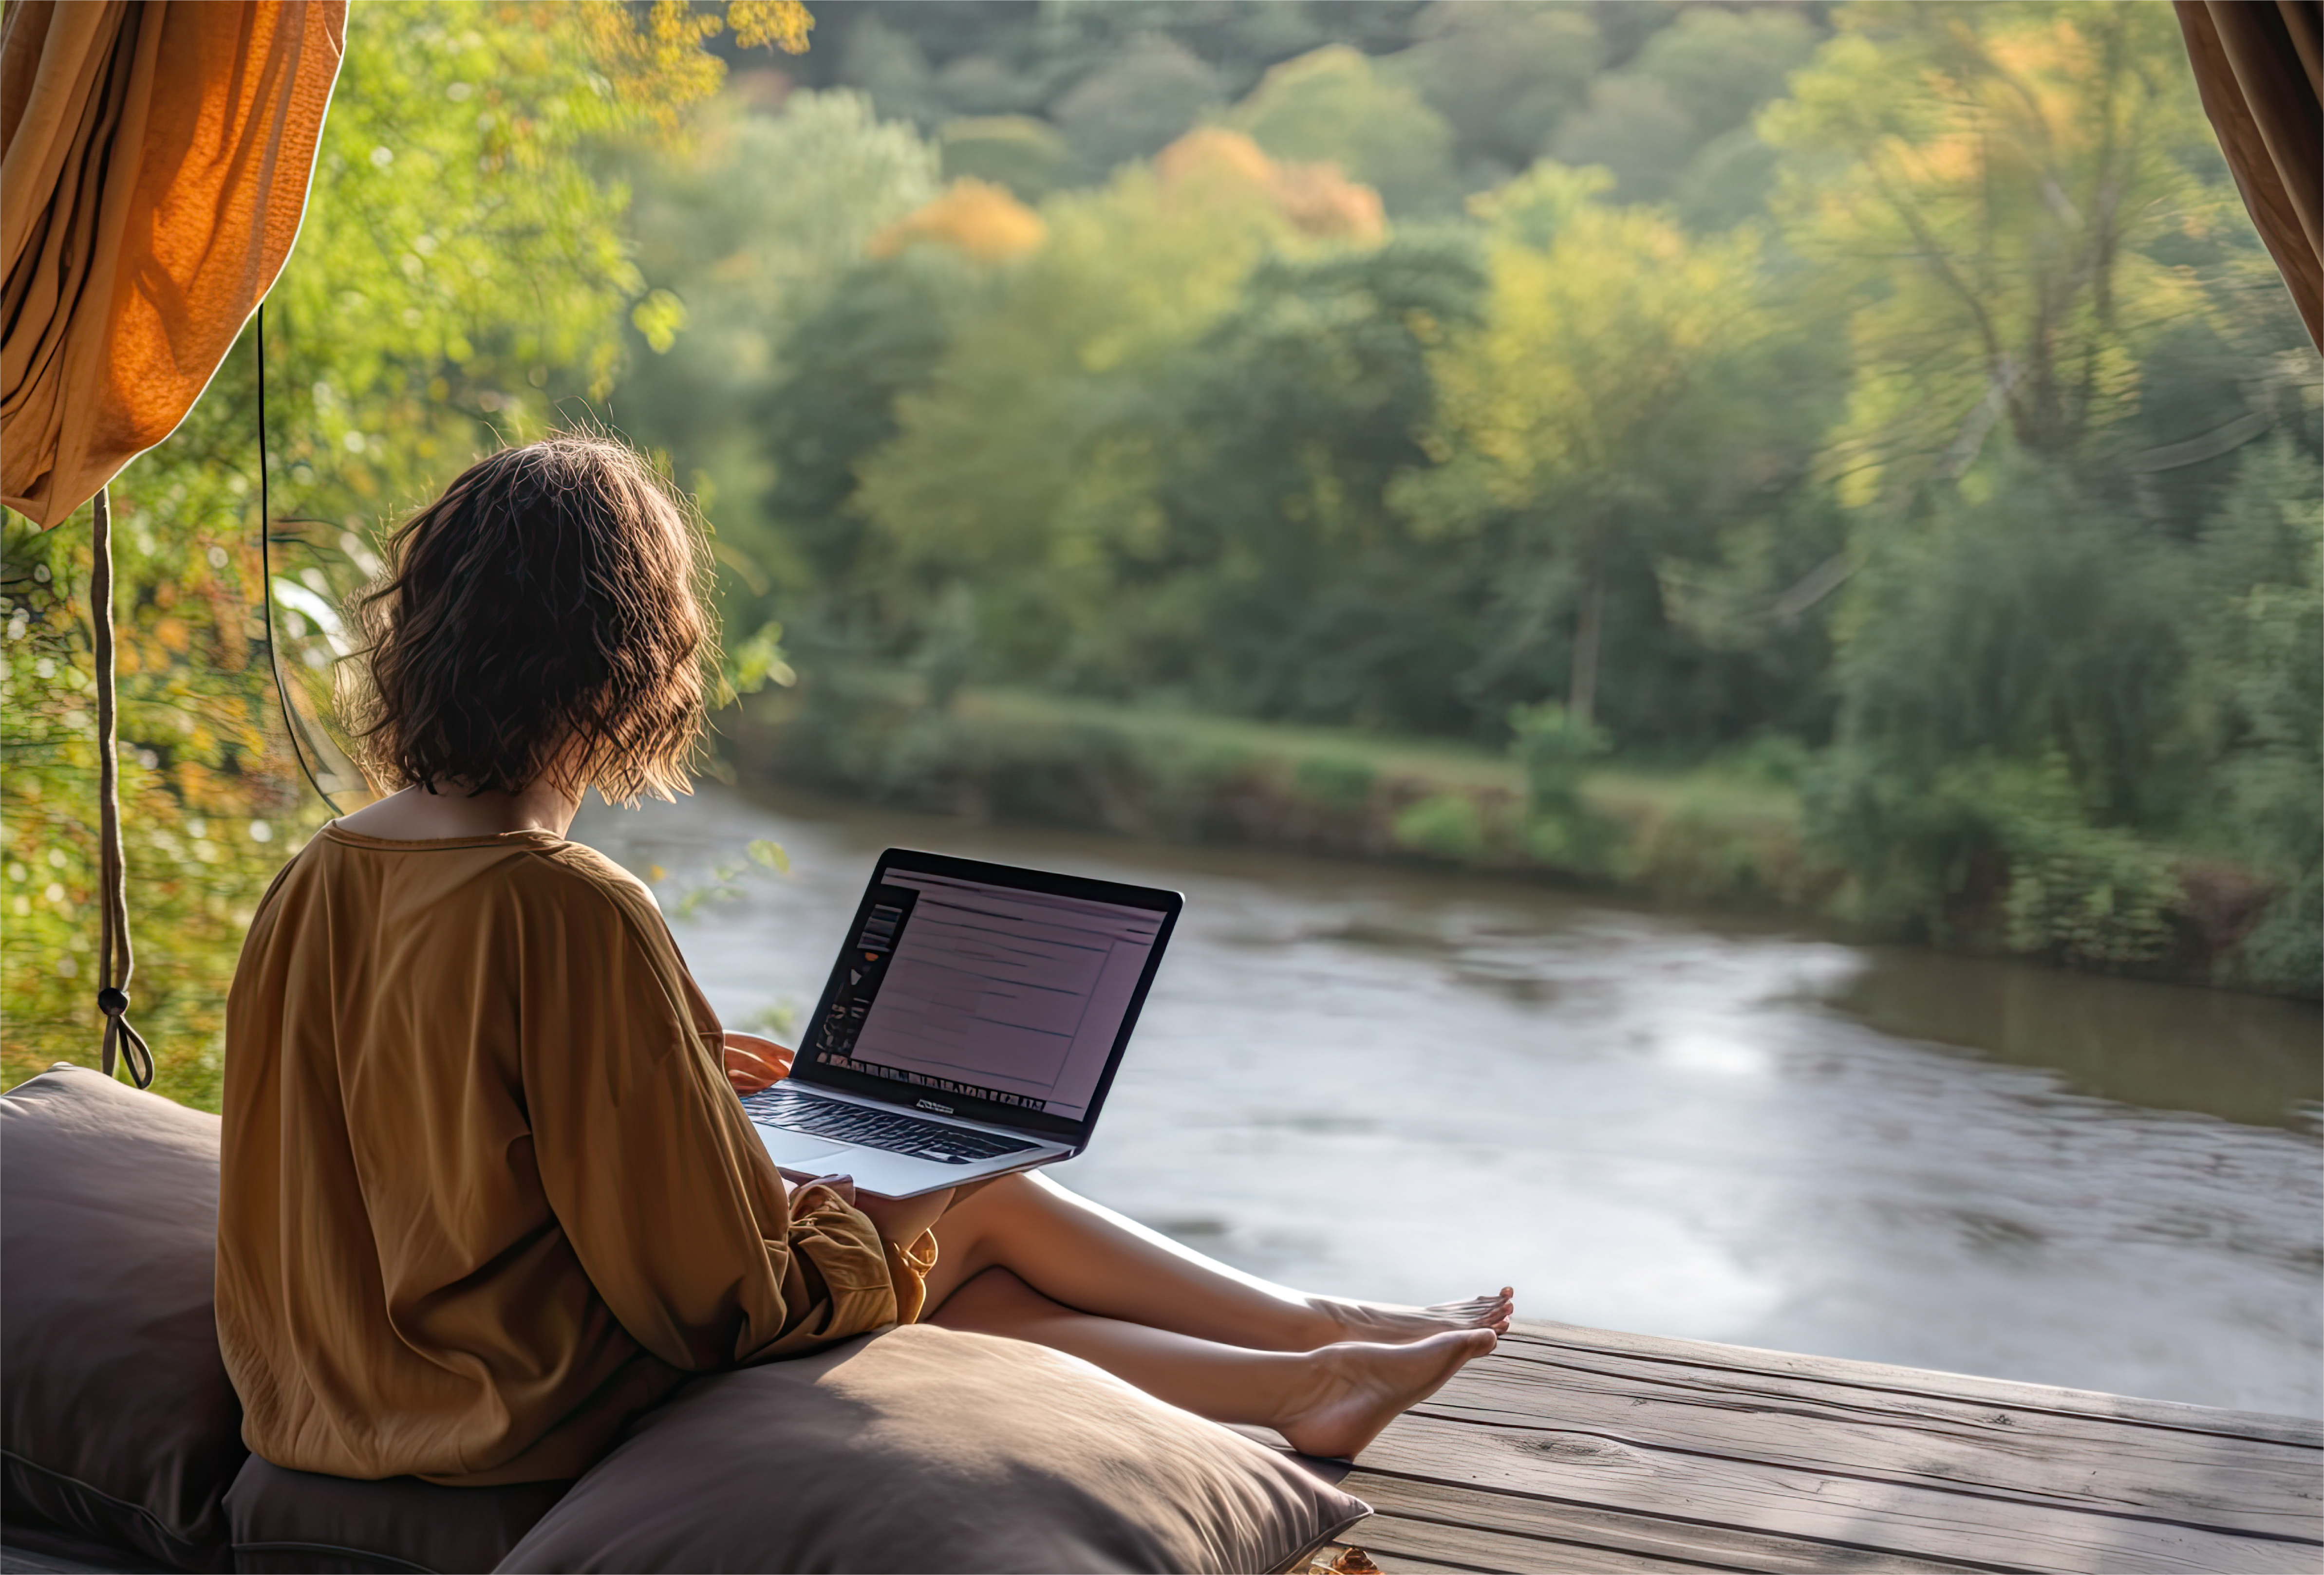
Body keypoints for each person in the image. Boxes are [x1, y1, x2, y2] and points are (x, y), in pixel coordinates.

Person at [214, 434, 1509, 1490]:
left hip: (338, 1394)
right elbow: (713, 1309)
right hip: (499, 1416)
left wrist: (688, 1087)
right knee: (963, 1196)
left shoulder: (323, 871)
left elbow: (422, 1108)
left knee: (930, 1208)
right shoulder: (564, 904)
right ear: (632, 654)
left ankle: (1313, 1368)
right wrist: (865, 1225)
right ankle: (1312, 1339)